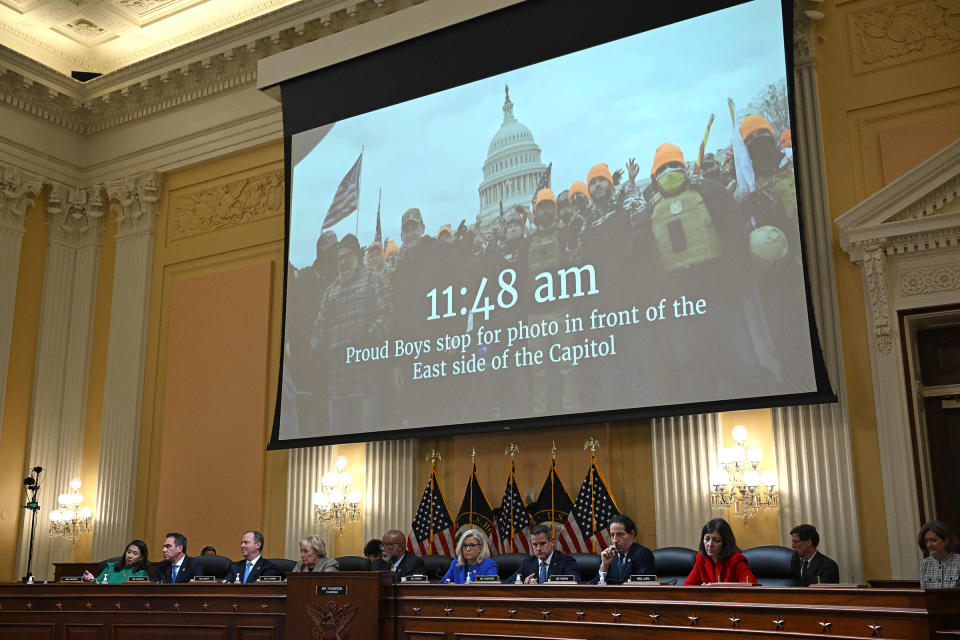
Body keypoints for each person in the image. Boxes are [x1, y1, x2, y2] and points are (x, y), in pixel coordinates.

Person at [311, 233, 391, 432]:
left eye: (347, 256)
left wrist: (370, 338)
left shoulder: (373, 280)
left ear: (357, 256)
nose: (343, 262)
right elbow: (319, 329)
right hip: (337, 387)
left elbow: (387, 316)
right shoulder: (330, 292)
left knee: (369, 447)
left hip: (367, 384)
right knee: (339, 452)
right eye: (339, 258)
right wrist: (316, 349)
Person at [684, 518, 757, 585]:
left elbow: (753, 588)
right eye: (707, 539)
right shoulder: (701, 558)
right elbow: (687, 588)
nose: (710, 544)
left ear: (725, 543)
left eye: (716, 540)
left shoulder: (736, 560)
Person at [504, 523, 579, 584]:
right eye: (535, 544)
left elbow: (575, 583)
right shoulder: (528, 563)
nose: (538, 548)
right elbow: (507, 583)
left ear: (552, 542)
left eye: (542, 544)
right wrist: (523, 584)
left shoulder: (566, 561)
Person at [592, 514, 655, 584]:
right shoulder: (608, 556)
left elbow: (643, 587)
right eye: (612, 535)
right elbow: (595, 587)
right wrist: (604, 566)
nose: (614, 540)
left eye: (620, 534)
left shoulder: (643, 554)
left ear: (632, 534)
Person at [83, 539, 150, 583]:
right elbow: (98, 585)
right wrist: (91, 579)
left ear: (141, 557)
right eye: (128, 552)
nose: (130, 556)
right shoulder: (111, 567)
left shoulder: (141, 574)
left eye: (135, 554)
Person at [918, 520, 960, 589]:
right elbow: (924, 594)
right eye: (926, 541)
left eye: (933, 540)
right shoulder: (925, 564)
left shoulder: (958, 562)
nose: (929, 545)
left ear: (946, 541)